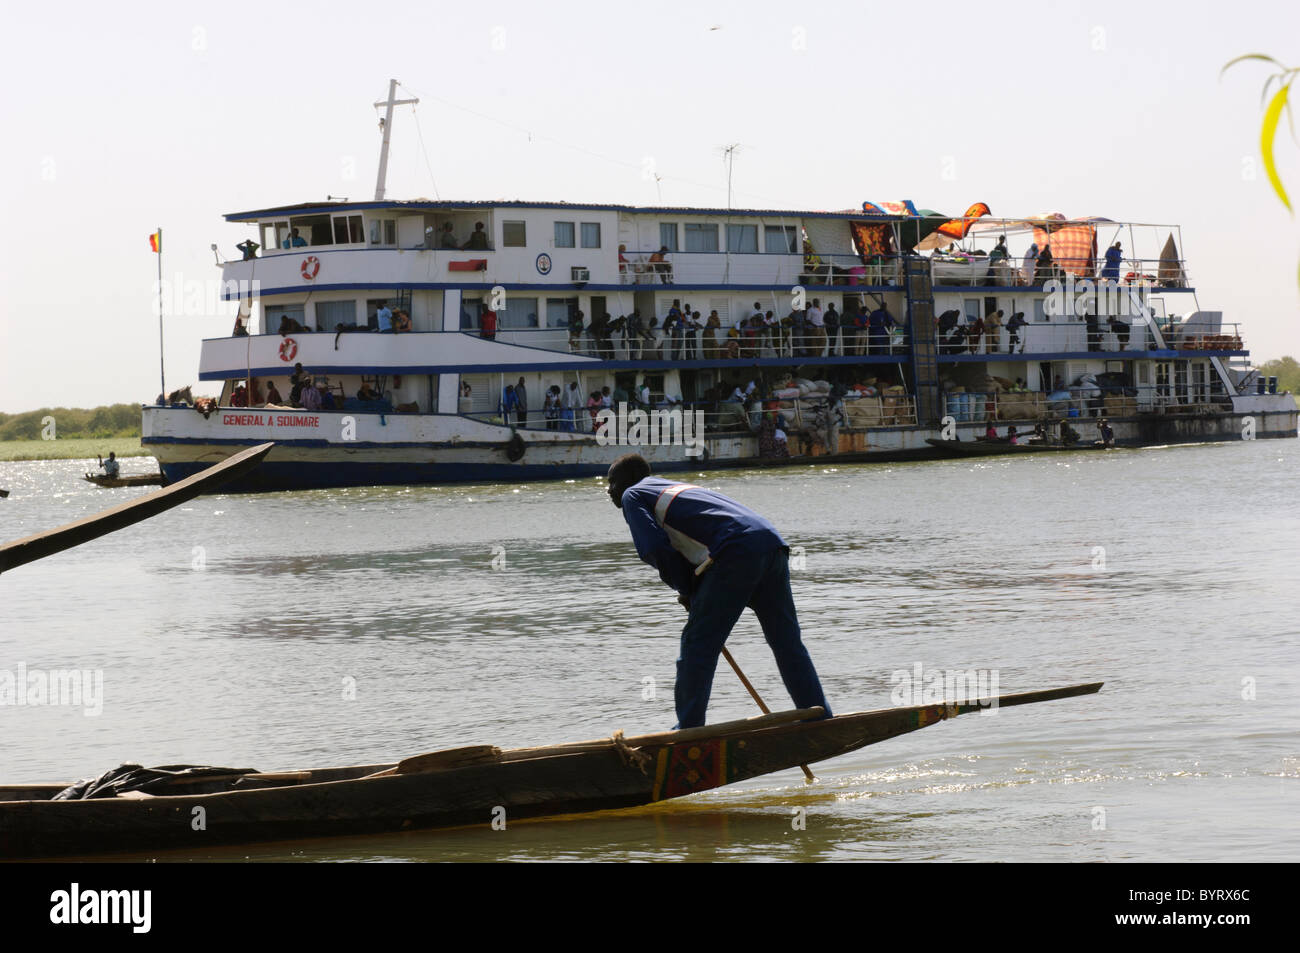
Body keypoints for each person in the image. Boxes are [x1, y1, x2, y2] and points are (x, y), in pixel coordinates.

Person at [606, 453, 832, 729]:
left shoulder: (633, 494)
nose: (609, 491)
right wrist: (692, 586)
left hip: (735, 553)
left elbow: (654, 549)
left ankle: (689, 730)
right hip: (772, 547)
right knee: (786, 642)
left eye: (611, 482)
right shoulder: (671, 486)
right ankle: (818, 715)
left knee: (697, 645)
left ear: (627, 481)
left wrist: (687, 589)